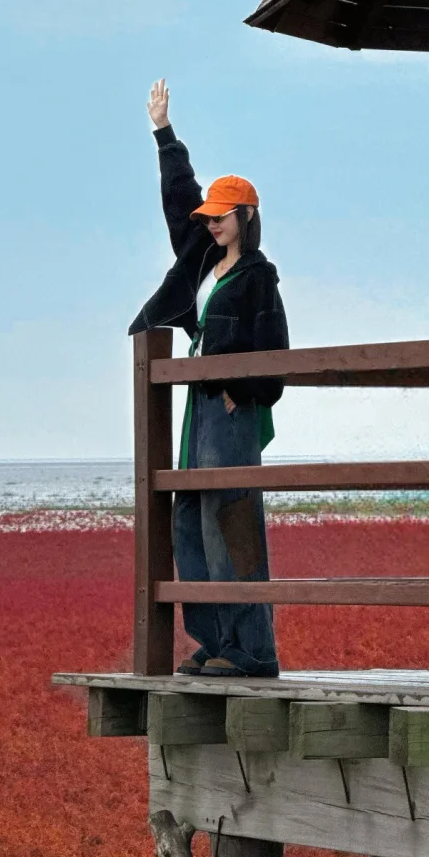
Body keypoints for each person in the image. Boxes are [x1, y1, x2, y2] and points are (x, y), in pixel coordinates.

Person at [128, 78, 288, 678]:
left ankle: (253, 651)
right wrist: (164, 134)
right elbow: (178, 198)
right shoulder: (200, 261)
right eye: (210, 217)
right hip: (197, 411)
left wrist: (233, 388)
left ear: (245, 217)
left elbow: (275, 356)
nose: (212, 224)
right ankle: (216, 640)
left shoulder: (257, 276)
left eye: (222, 217)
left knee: (232, 523)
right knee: (191, 521)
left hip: (228, 414)